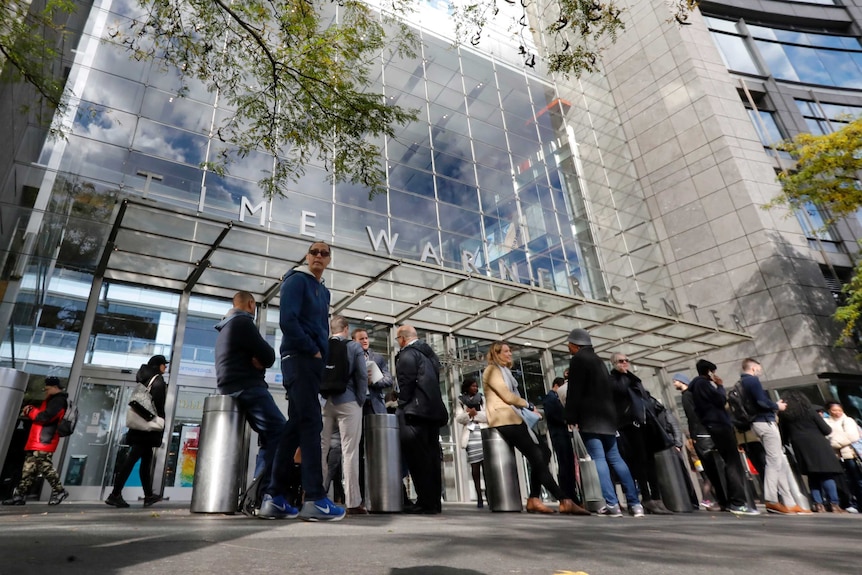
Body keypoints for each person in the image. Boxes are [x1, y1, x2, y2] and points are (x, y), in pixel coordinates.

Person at [274, 241, 345, 521]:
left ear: (329, 259)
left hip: (312, 362)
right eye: (314, 252)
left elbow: (318, 325)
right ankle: (315, 497)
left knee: (295, 426)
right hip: (300, 358)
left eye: (324, 253)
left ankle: (274, 497)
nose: (318, 255)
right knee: (312, 423)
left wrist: (321, 353)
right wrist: (312, 349)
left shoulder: (323, 291)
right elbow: (287, 321)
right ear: (307, 257)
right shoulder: (296, 280)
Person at [484, 340, 589, 516]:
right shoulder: (492, 370)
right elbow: (506, 395)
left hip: (514, 418)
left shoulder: (505, 372)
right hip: (503, 419)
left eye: (510, 351)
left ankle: (533, 499)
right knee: (537, 455)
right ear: (496, 353)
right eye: (506, 351)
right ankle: (564, 500)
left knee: (544, 452)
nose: (510, 354)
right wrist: (528, 404)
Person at [214, 290, 293, 519]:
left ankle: (257, 496)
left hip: (232, 386)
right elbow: (268, 355)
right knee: (281, 431)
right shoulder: (243, 322)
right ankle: (265, 495)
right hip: (248, 386)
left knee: (270, 436)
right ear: (251, 304)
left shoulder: (226, 327)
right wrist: (261, 361)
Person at [564, 329, 641, 517]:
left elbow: (575, 391)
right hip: (608, 418)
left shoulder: (578, 361)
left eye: (569, 345)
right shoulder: (599, 361)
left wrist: (571, 417)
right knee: (616, 458)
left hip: (590, 417)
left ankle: (612, 504)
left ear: (575, 344)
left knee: (599, 458)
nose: (569, 349)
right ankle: (635, 503)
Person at [688, 359, 759, 515]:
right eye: (713, 371)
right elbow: (720, 400)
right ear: (709, 371)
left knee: (729, 462)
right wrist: (719, 386)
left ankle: (731, 501)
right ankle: (738, 502)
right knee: (733, 463)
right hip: (719, 425)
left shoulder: (695, 388)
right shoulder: (703, 384)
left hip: (713, 425)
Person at [739, 358, 806, 515]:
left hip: (757, 424)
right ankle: (771, 499)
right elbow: (761, 402)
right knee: (774, 461)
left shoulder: (742, 383)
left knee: (778, 461)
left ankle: (788, 501)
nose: (760, 371)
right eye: (759, 368)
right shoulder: (752, 381)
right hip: (765, 422)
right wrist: (777, 406)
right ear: (754, 368)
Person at [609, 352, 673, 515]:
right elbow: (619, 393)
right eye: (621, 361)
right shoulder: (614, 380)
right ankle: (646, 497)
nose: (625, 364)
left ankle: (657, 498)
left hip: (644, 423)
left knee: (650, 461)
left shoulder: (633, 379)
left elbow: (644, 396)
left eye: (627, 361)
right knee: (639, 462)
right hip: (629, 426)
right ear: (614, 363)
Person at [394, 324, 449, 514]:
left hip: (415, 412)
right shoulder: (429, 355)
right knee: (432, 458)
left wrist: (400, 402)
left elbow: (406, 382)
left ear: (402, 338)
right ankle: (434, 502)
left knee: (418, 460)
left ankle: (425, 502)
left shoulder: (408, 354)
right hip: (432, 412)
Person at [320, 315, 368, 515]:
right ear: (346, 329)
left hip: (325, 402)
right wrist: (360, 399)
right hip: (348, 401)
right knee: (349, 451)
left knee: (321, 450)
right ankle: (352, 502)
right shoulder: (353, 347)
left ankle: (316, 496)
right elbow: (362, 375)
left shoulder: (323, 345)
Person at [105, 355, 168, 508]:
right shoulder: (157, 382)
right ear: (157, 366)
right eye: (163, 365)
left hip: (140, 426)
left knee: (145, 462)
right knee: (132, 460)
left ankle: (148, 496)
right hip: (147, 428)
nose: (165, 368)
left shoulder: (144, 379)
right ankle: (115, 494)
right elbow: (158, 406)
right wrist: (160, 422)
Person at [2, 377, 69, 506]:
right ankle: (19, 496)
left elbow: (44, 417)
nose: (45, 391)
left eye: (47, 388)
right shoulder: (52, 400)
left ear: (55, 387)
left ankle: (60, 491)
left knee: (45, 466)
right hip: (37, 440)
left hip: (44, 440)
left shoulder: (59, 401)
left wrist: (30, 410)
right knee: (28, 469)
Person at [779, 390, 846, 513]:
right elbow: (826, 430)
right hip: (819, 444)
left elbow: (783, 437)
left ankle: (818, 504)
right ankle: (834, 504)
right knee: (827, 475)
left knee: (812, 476)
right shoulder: (810, 411)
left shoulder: (785, 415)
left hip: (801, 447)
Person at [673, 373, 725, 511]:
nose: (673, 383)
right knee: (708, 471)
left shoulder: (687, 396)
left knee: (709, 471)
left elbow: (692, 416)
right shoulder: (692, 395)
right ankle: (715, 499)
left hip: (700, 436)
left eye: (676, 381)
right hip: (701, 435)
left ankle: (713, 499)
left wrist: (693, 434)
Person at [544, 377, 578, 505]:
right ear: (557, 386)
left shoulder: (552, 398)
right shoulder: (550, 398)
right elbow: (554, 415)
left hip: (562, 433)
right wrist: (566, 419)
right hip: (559, 434)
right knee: (565, 463)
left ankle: (571, 492)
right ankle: (567, 493)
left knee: (568, 463)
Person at [454, 377, 488, 508]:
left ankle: (489, 495)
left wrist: (472, 413)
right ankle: (479, 497)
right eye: (473, 386)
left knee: (486, 467)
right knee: (475, 468)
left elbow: (486, 416)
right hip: (470, 435)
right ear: (467, 387)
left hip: (483, 433)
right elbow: (459, 418)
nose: (475, 388)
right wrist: (468, 415)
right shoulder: (461, 400)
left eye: (476, 386)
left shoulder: (482, 398)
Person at [825, 400, 862, 510]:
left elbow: (852, 436)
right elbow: (827, 438)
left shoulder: (848, 420)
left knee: (859, 480)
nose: (837, 412)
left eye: (839, 410)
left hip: (851, 455)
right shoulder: (826, 422)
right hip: (838, 457)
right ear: (829, 411)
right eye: (834, 410)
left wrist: (835, 442)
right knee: (849, 482)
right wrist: (837, 440)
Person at [352, 328, 393, 415]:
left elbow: (389, 380)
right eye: (361, 339)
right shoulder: (350, 358)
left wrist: (373, 382)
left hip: (374, 404)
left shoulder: (378, 358)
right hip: (356, 404)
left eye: (366, 338)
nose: (365, 341)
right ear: (354, 341)